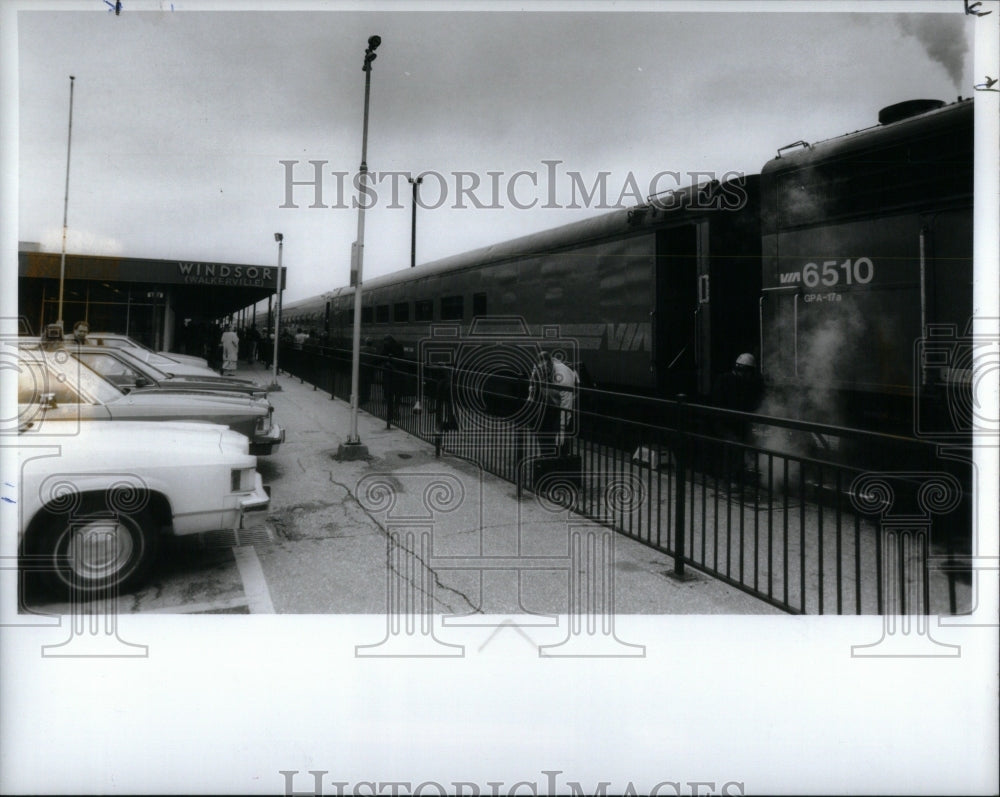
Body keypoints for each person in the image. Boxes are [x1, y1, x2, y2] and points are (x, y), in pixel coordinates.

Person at [711, 352, 764, 480]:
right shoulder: (725, 381)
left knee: (750, 442)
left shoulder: (742, 383)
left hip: (736, 422)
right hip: (723, 423)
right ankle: (730, 477)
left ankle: (742, 472)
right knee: (735, 444)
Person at [527, 351, 563, 457]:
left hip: (541, 407)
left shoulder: (537, 371)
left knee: (542, 434)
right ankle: (550, 456)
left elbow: (532, 391)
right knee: (551, 434)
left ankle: (544, 456)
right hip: (554, 406)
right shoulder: (554, 370)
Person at [551, 356, 579, 455]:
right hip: (558, 398)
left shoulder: (563, 379)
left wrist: (562, 429)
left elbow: (566, 406)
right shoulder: (538, 368)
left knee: (562, 429)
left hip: (570, 399)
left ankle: (562, 456)